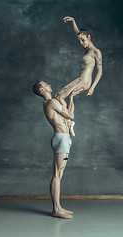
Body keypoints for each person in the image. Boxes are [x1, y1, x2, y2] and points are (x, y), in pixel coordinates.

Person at [33, 80, 77, 219]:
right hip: (62, 138)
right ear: (42, 90)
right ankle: (56, 209)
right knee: (57, 174)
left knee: (59, 174)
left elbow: (68, 115)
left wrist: (70, 99)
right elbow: (71, 115)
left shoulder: (51, 103)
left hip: (63, 137)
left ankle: (58, 207)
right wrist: (70, 100)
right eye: (46, 85)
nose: (49, 85)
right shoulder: (51, 102)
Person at [55, 16, 103, 106]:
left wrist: (92, 87)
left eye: (83, 40)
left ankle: (68, 118)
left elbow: (100, 71)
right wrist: (73, 21)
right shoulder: (87, 50)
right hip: (81, 79)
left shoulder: (96, 52)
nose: (81, 43)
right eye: (79, 41)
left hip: (84, 81)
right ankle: (68, 119)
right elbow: (79, 34)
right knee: (58, 96)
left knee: (59, 97)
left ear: (89, 37)